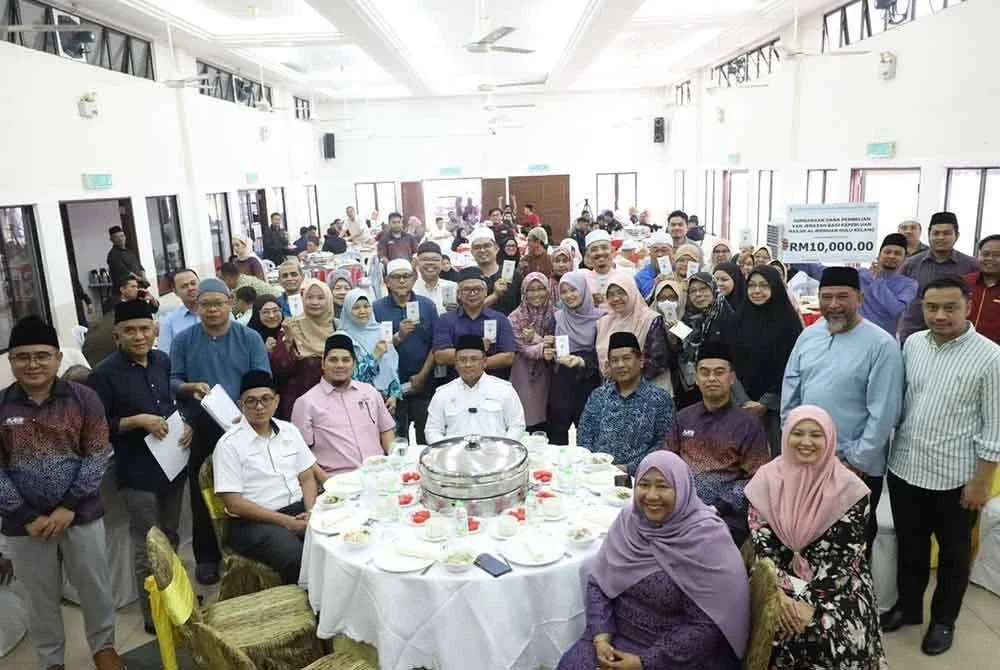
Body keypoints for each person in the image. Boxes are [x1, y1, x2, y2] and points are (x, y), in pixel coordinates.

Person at [881, 276, 1000, 655]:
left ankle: (943, 621)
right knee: (910, 547)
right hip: (906, 468)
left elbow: (995, 427)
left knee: (953, 556)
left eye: (950, 307)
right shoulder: (912, 344)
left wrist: (981, 482)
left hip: (956, 478)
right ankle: (909, 607)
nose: (940, 315)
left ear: (968, 305)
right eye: (932, 307)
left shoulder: (991, 357)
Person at [0, 316, 123, 670]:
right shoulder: (2, 406)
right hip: (25, 525)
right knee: (40, 598)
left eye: (42, 355)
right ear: (11, 362)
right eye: (23, 356)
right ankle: (51, 660)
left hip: (80, 514)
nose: (33, 364)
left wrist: (70, 505)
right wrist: (26, 516)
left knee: (95, 588)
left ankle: (104, 648)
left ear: (57, 358)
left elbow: (98, 452)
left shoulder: (84, 400)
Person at [557, 451, 749, 670]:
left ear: (682, 489)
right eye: (644, 485)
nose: (651, 495)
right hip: (614, 637)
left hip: (675, 655)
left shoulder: (708, 540)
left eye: (663, 486)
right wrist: (601, 636)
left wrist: (644, 663)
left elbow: (706, 625)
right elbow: (599, 583)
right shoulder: (629, 521)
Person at [746, 405, 885, 668]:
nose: (806, 442)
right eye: (798, 433)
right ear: (786, 436)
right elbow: (764, 550)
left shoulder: (851, 491)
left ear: (830, 439)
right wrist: (781, 597)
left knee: (830, 637)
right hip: (778, 581)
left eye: (816, 435)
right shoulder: (765, 481)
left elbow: (842, 562)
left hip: (835, 586)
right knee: (772, 633)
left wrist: (807, 604)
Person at [781, 266, 903, 550]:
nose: (834, 305)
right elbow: (791, 390)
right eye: (827, 297)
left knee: (851, 543)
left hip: (854, 466)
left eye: (842, 297)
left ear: (859, 298)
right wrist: (794, 441)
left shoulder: (881, 344)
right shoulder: (809, 335)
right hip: (808, 457)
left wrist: (857, 461)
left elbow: (884, 411)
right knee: (807, 534)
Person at [87, 300, 191, 634]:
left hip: (171, 466)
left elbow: (169, 404)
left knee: (172, 537)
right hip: (137, 473)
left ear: (155, 330)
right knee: (149, 544)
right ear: (116, 335)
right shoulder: (103, 374)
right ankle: (155, 616)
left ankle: (178, 601)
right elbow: (98, 426)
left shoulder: (162, 361)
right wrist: (137, 421)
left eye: (144, 329)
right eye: (129, 331)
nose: (138, 336)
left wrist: (184, 423)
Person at [170, 277, 271, 585]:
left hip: (243, 422)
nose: (212, 310)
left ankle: (253, 548)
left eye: (218, 303)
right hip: (202, 424)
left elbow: (262, 375)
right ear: (196, 307)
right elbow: (172, 380)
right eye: (205, 305)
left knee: (250, 485)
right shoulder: (184, 340)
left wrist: (247, 404)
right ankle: (207, 557)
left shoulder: (249, 337)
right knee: (204, 491)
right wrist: (189, 387)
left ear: (230, 303)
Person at [213, 371, 317, 585]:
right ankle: (305, 611)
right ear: (240, 404)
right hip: (253, 522)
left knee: (332, 542)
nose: (259, 407)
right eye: (251, 401)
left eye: (265, 399)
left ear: (276, 400)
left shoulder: (289, 430)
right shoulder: (228, 444)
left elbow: (307, 477)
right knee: (295, 556)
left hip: (299, 510)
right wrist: (286, 522)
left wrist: (310, 512)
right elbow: (234, 503)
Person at [666, 343, 769, 546]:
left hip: (726, 515)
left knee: (693, 543)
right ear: (696, 378)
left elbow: (756, 479)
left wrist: (719, 506)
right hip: (681, 505)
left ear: (731, 378)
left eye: (719, 372)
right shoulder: (683, 418)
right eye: (704, 372)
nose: (711, 378)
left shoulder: (748, 425)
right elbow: (667, 461)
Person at [291, 334, 396, 474]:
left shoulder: (369, 392)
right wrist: (326, 482)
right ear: (322, 364)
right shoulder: (306, 403)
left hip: (378, 473)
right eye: (333, 360)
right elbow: (303, 453)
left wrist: (394, 464)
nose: (339, 365)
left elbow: (386, 430)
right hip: (337, 481)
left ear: (354, 364)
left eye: (345, 360)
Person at [578, 332, 674, 475]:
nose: (620, 365)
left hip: (641, 477)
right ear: (609, 365)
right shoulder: (599, 396)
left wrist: (628, 468)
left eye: (627, 358)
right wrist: (595, 466)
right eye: (614, 360)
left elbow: (664, 444)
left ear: (641, 361)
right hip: (596, 474)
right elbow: (584, 435)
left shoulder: (659, 399)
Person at [731, 265, 803, 455]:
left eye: (764, 285)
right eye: (752, 285)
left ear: (775, 288)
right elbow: (729, 361)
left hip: (777, 409)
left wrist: (765, 403)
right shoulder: (739, 318)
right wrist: (743, 401)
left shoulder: (790, 323)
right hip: (740, 405)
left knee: (774, 461)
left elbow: (793, 367)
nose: (756, 291)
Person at [374, 260, 439, 444]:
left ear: (413, 279)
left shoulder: (427, 306)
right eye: (396, 277)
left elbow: (436, 345)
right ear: (387, 281)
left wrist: (422, 376)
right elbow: (376, 348)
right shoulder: (377, 308)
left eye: (406, 276)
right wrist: (398, 337)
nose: (402, 281)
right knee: (395, 440)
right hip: (390, 387)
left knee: (426, 437)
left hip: (423, 383)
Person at [425, 335, 526, 442]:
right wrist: (447, 451)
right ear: (455, 364)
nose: (468, 364)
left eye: (474, 359)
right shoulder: (443, 394)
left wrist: (503, 448)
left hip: (494, 454)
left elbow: (517, 426)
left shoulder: (504, 389)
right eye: (462, 360)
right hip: (457, 455)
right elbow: (432, 430)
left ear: (484, 362)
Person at [898, 211, 979, 342]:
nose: (940, 237)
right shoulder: (910, 264)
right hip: (913, 335)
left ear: (956, 236)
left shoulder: (971, 265)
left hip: (956, 339)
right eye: (936, 233)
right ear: (929, 235)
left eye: (946, 233)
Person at [545, 271, 603, 446]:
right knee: (558, 433)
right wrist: (548, 354)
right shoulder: (557, 318)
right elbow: (551, 351)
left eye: (573, 290)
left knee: (588, 433)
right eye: (564, 292)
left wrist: (582, 361)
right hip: (562, 382)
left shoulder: (601, 318)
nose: (569, 296)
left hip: (589, 382)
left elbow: (603, 354)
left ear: (584, 290)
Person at [433, 267, 516, 381]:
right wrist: (477, 346)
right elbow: (440, 356)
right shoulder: (445, 320)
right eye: (467, 289)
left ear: (486, 292)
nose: (472, 293)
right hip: (455, 385)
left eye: (477, 289)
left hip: (493, 385)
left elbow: (508, 357)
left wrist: (476, 365)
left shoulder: (500, 319)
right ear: (458, 294)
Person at [671, 273, 736, 409]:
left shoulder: (727, 317)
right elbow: (676, 351)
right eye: (693, 291)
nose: (698, 294)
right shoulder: (686, 320)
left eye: (703, 289)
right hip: (690, 391)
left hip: (722, 389)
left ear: (713, 289)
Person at [270, 278, 333, 420]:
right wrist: (289, 339)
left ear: (329, 300)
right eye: (309, 297)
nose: (314, 302)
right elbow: (280, 367)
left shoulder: (336, 327)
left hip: (332, 405)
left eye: (320, 297)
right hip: (298, 405)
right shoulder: (291, 327)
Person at [596, 273, 668, 383]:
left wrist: (624, 377)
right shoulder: (604, 323)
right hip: (612, 391)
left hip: (647, 388)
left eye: (621, 292)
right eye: (610, 294)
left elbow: (658, 360)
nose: (615, 298)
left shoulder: (650, 319)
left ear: (632, 292)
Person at [339, 288, 403, 409]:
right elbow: (349, 377)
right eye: (356, 308)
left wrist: (394, 395)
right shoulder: (342, 338)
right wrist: (374, 356)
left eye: (366, 306)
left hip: (387, 402)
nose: (362, 311)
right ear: (347, 310)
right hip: (358, 403)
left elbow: (392, 365)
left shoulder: (381, 331)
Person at [508, 272, 556, 433]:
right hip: (524, 373)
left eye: (541, 288)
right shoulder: (515, 318)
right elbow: (522, 347)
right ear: (524, 292)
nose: (536, 294)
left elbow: (559, 344)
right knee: (527, 416)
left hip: (551, 371)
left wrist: (535, 338)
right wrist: (543, 344)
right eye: (531, 289)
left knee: (551, 416)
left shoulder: (555, 314)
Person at [83, 275, 158, 366]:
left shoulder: (121, 308)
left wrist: (150, 300)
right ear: (122, 289)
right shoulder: (122, 313)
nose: (137, 290)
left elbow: (154, 309)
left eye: (137, 287)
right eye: (133, 287)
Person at [859, 233, 919, 335]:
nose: (891, 256)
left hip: (885, 339)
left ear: (905, 258)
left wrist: (877, 281)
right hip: (858, 335)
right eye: (887, 252)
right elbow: (828, 273)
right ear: (879, 254)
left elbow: (896, 310)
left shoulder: (909, 284)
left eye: (897, 253)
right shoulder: (860, 275)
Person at [466, 227, 522, 315]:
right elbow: (467, 311)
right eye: (477, 247)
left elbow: (522, 306)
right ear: (472, 252)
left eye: (487, 245)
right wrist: (494, 296)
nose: (482, 250)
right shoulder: (468, 278)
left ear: (496, 248)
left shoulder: (513, 274)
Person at [965, 234, 1000, 344]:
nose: (989, 259)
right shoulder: (964, 282)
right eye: (985, 254)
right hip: (962, 351)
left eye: (996, 255)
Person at [157, 268, 200, 354]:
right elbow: (165, 356)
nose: (190, 288)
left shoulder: (221, 311)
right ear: (175, 291)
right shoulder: (169, 322)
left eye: (193, 283)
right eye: (184, 286)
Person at [412, 241, 458, 316]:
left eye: (435, 259)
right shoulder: (411, 290)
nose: (430, 263)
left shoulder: (453, 287)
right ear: (417, 262)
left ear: (441, 262)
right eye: (425, 259)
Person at [581, 229, 618, 309]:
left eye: (604, 248)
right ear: (588, 254)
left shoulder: (624, 277)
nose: (600, 252)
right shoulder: (583, 280)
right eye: (594, 250)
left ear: (612, 251)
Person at [634, 231, 676, 299]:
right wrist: (655, 286)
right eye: (656, 251)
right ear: (650, 254)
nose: (660, 255)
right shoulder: (640, 277)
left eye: (664, 250)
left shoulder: (680, 271)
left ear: (672, 253)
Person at [106, 225, 144, 292]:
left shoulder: (129, 251)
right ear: (111, 240)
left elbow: (139, 267)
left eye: (122, 236)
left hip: (139, 287)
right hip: (126, 292)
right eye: (116, 237)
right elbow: (126, 273)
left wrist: (144, 277)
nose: (120, 239)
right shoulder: (113, 255)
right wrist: (141, 279)